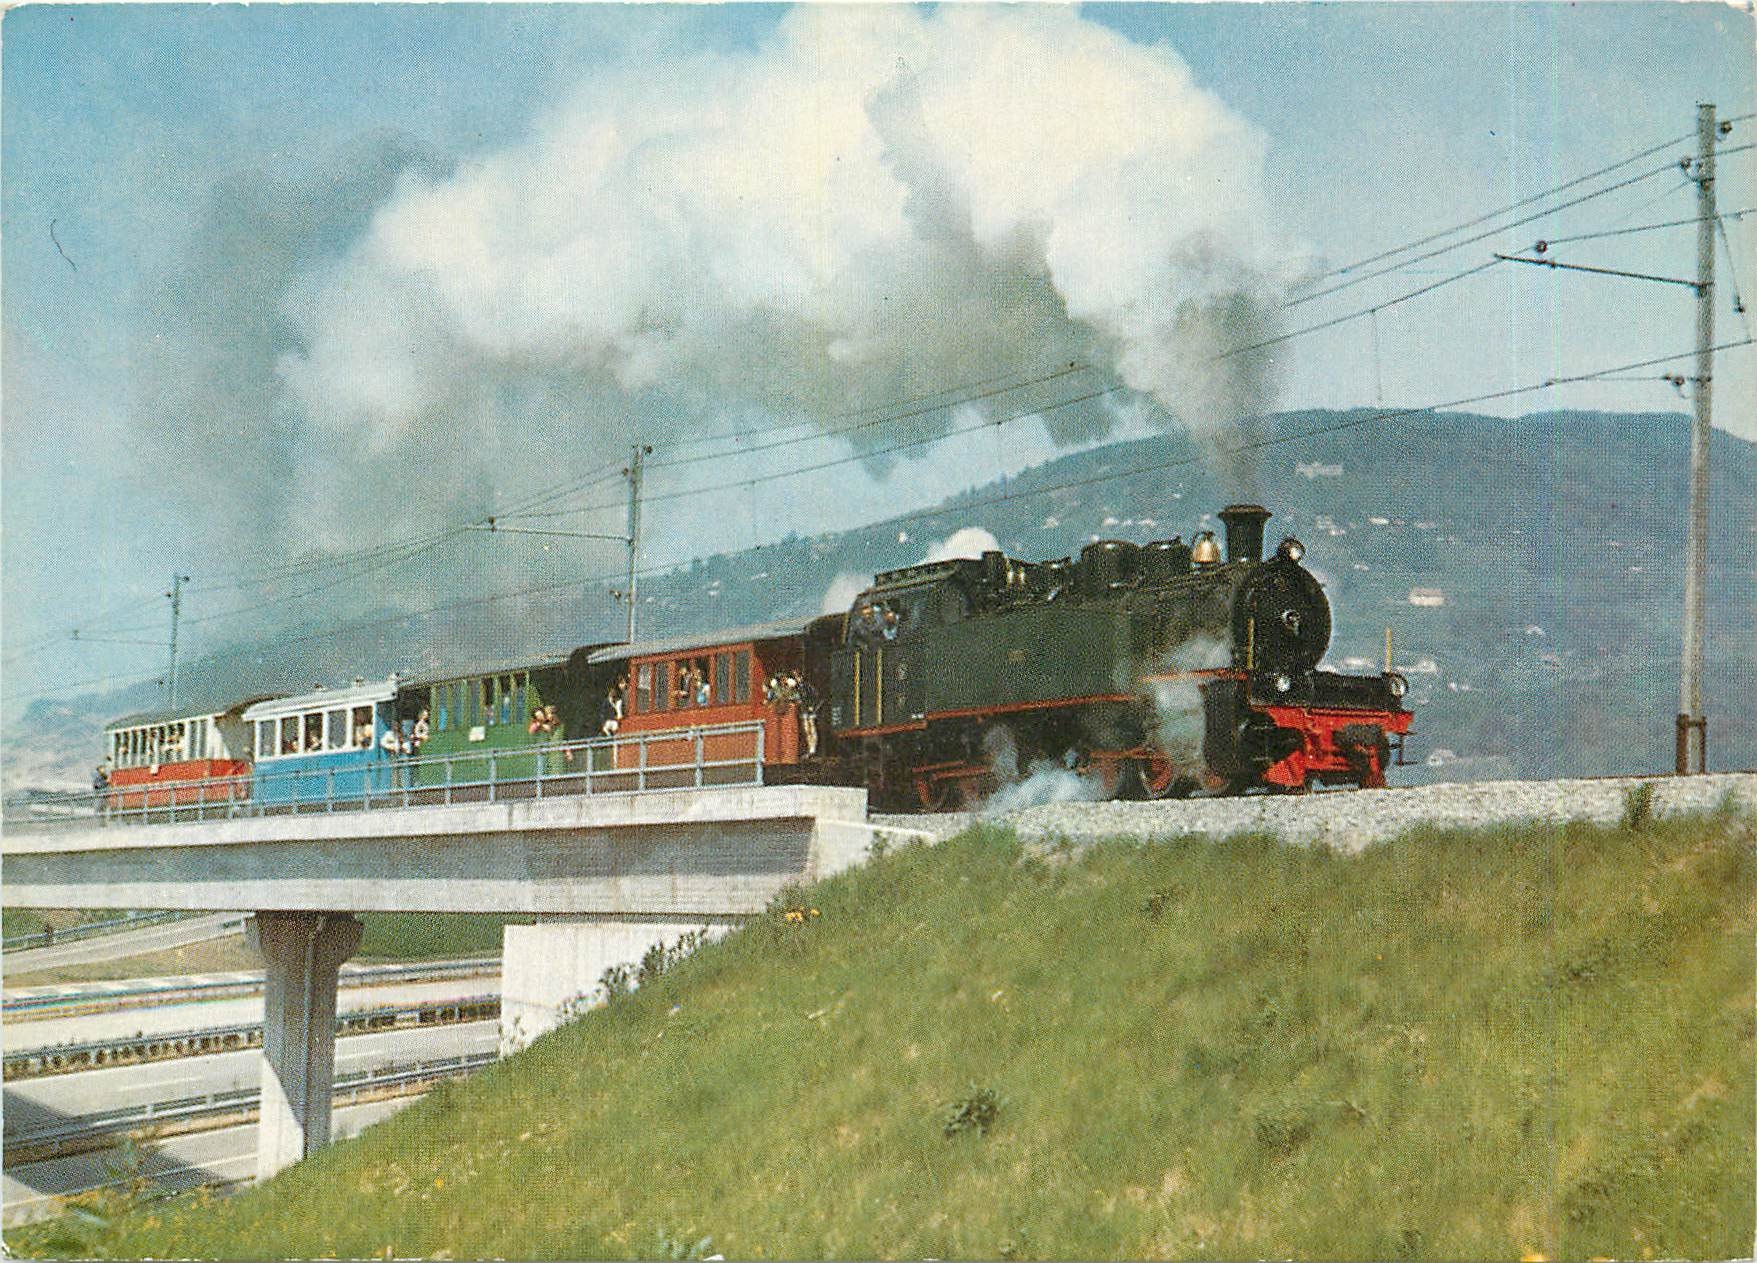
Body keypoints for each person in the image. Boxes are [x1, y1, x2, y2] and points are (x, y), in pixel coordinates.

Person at [792, 674, 820, 757]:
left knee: (812, 727)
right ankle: (810, 747)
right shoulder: (796, 688)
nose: (796, 679)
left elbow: (815, 695)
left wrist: (812, 705)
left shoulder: (807, 686)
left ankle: (813, 748)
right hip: (803, 709)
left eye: (797, 677)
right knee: (806, 729)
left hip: (809, 709)